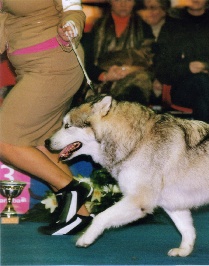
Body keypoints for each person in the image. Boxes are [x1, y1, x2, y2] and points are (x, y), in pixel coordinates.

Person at [0, 0, 93, 235]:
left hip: (54, 63)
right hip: (30, 67)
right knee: (41, 143)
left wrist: (72, 25)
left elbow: (73, 9)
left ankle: (71, 189)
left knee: (5, 141)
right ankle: (79, 214)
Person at [154, 0, 209, 125]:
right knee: (200, 80)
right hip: (183, 90)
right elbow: (161, 68)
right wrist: (187, 68)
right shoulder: (172, 26)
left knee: (203, 100)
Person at [81, 0, 155, 105]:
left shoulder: (144, 27)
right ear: (110, 1)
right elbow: (86, 61)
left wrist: (129, 70)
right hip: (99, 82)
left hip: (133, 78)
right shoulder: (95, 26)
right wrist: (104, 75)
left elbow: (150, 60)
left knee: (140, 81)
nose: (123, 4)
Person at [137, 0, 172, 103]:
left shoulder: (172, 30)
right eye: (144, 8)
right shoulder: (136, 29)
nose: (148, 12)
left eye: (153, 8)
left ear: (164, 10)